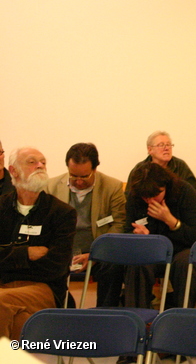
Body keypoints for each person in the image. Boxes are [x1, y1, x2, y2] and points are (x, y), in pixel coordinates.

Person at [0, 147, 76, 340]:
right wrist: (26, 254)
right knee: (18, 321)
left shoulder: (62, 213)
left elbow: (56, 267)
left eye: (43, 162)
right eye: (32, 162)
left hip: (43, 289)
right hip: (4, 287)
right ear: (13, 170)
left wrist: (8, 260)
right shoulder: (1, 207)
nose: (40, 166)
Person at [46, 143, 127, 306]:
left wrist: (95, 254)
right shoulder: (51, 187)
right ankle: (59, 311)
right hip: (62, 250)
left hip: (98, 251)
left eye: (84, 176)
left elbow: (119, 225)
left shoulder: (113, 187)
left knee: (113, 265)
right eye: (73, 175)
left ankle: (105, 313)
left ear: (95, 169)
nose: (79, 181)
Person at [124, 162, 196, 309]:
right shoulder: (135, 196)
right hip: (150, 252)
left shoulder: (185, 191)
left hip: (180, 249)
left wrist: (171, 221)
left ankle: (182, 316)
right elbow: (127, 230)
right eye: (146, 197)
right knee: (137, 262)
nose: (151, 201)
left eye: (156, 195)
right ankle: (138, 317)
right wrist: (141, 236)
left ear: (166, 186)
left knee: (186, 262)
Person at [126, 130, 196, 204]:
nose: (167, 148)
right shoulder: (140, 169)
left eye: (168, 145)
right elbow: (130, 197)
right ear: (150, 149)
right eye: (161, 145)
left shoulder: (180, 166)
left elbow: (193, 195)